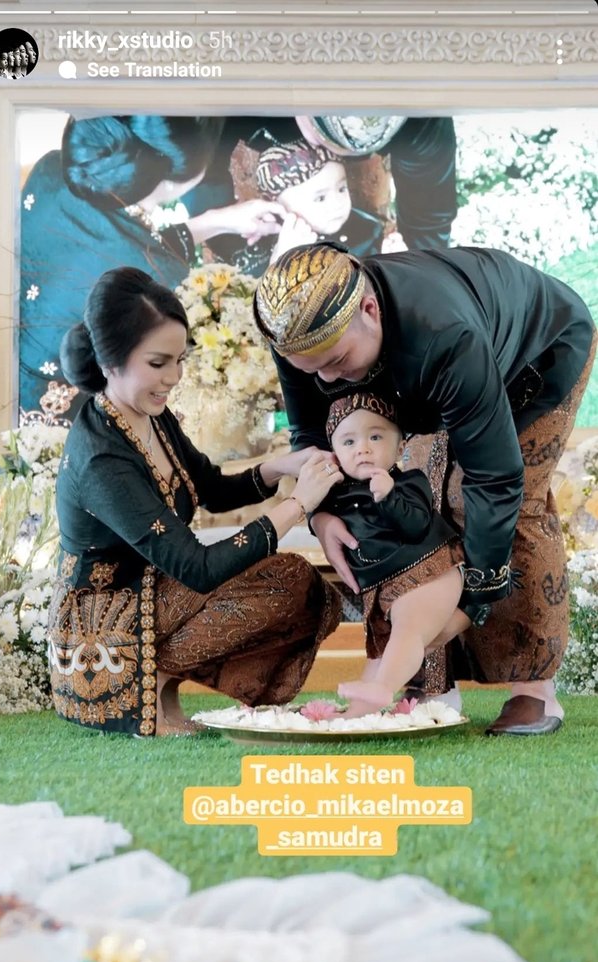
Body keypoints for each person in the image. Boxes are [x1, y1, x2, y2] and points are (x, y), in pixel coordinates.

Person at [253, 241, 597, 736]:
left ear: (368, 309)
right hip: (426, 367)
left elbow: (495, 477)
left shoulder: (444, 336)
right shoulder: (301, 333)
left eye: (336, 361)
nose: (327, 380)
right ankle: (429, 685)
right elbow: (312, 436)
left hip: (539, 351)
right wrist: (321, 514)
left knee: (501, 502)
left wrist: (475, 597)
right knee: (406, 499)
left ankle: (533, 689)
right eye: (312, 370)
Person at [48, 265, 342, 738]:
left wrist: (282, 466)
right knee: (281, 579)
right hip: (101, 634)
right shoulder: (101, 459)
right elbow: (197, 568)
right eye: (159, 363)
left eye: (180, 360)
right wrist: (298, 506)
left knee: (293, 580)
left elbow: (208, 486)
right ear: (110, 361)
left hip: (155, 593)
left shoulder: (150, 413)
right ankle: (146, 686)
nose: (174, 377)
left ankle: (165, 685)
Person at [20, 114, 286, 423]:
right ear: (175, 180)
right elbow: (135, 255)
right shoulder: (159, 280)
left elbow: (121, 241)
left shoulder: (52, 168)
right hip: (59, 412)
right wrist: (282, 260)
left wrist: (216, 221)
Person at [321, 392, 464, 718]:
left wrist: (389, 497)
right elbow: (310, 505)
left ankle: (383, 688)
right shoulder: (337, 492)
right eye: (348, 441)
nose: (363, 448)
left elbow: (416, 526)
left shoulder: (409, 482)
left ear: (400, 448)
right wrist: (318, 514)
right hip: (385, 586)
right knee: (379, 649)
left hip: (430, 570)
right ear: (335, 454)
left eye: (375, 436)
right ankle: (357, 713)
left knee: (407, 628)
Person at [189, 114, 456, 269]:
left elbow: (429, 216)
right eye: (322, 140)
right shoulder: (229, 96)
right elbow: (197, 174)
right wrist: (218, 224)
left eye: (342, 189)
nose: (336, 203)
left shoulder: (421, 118)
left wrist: (411, 271)